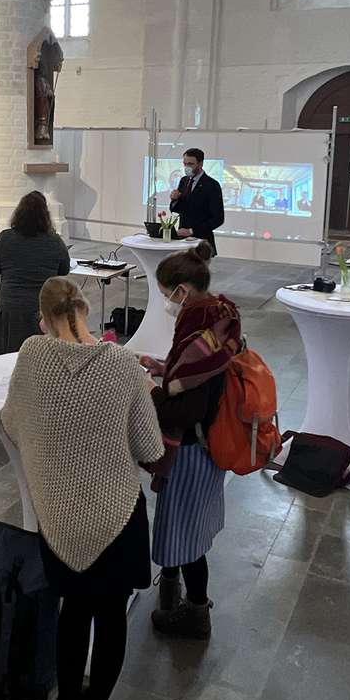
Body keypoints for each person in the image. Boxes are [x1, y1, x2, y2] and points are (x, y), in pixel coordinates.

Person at [3, 277, 165, 700]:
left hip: (59, 516)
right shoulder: (123, 365)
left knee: (72, 614)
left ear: (43, 317)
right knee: (111, 616)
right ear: (86, 310)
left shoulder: (32, 355)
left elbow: (13, 422)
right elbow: (150, 447)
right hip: (118, 514)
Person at [138, 243, 238, 640]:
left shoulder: (200, 332)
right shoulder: (217, 317)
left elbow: (190, 406)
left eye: (166, 295)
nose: (167, 303)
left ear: (181, 290)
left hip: (193, 449)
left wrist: (151, 394)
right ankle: (175, 589)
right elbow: (195, 376)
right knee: (188, 527)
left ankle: (195, 612)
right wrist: (163, 368)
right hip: (207, 445)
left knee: (188, 534)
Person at [0, 190, 70, 423]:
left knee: (5, 359)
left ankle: (1, 404)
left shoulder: (5, 238)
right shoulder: (54, 241)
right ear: (46, 216)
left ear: (19, 213)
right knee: (38, 360)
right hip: (41, 313)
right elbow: (63, 270)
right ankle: (37, 403)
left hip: (10, 309)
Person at [168, 148, 225, 254]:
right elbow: (179, 209)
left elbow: (218, 219)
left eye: (190, 164)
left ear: (201, 164)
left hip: (202, 242)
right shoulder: (184, 181)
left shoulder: (212, 185)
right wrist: (174, 200)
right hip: (182, 241)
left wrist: (191, 231)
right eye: (185, 164)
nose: (187, 167)